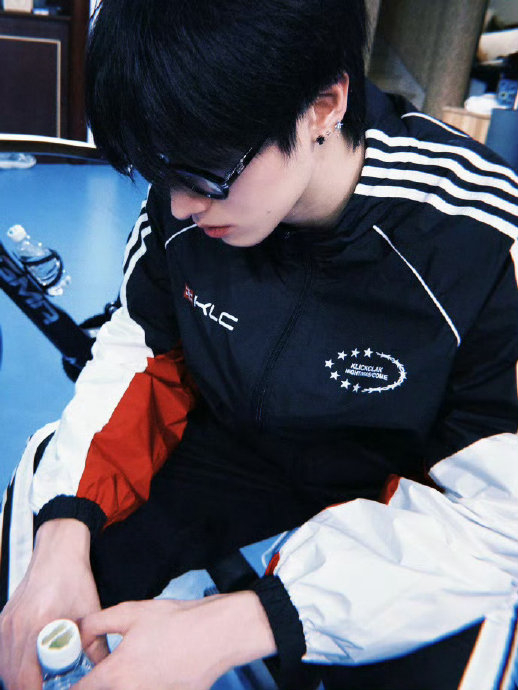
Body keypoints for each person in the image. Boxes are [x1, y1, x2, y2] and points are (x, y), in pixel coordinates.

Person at [1, 0, 517, 688]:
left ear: (324, 106)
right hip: (231, 444)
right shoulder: (186, 190)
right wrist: (64, 530)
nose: (180, 208)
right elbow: (141, 349)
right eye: (159, 173)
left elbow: (497, 521)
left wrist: (247, 621)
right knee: (46, 537)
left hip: (391, 488)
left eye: (207, 174)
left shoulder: (480, 244)